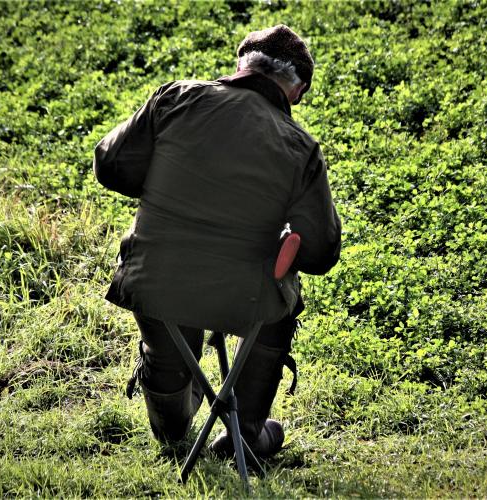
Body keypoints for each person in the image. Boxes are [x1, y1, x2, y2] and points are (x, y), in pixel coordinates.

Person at [93, 25, 341, 459]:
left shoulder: (176, 97)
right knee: (280, 302)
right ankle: (244, 432)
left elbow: (111, 166)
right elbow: (320, 253)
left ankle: (171, 416)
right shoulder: (299, 148)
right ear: (298, 90)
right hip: (242, 296)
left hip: (155, 280)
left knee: (170, 309)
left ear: (241, 65)